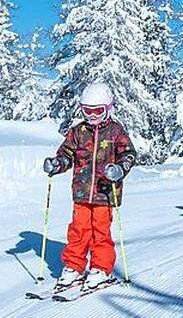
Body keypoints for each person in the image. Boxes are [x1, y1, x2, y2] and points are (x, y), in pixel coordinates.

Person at [42, 82, 137, 291]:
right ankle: (74, 266)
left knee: (100, 231)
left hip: (105, 192)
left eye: (97, 111)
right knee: (78, 230)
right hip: (81, 191)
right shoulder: (78, 132)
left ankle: (101, 268)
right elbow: (65, 154)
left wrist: (120, 169)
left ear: (108, 108)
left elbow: (128, 154)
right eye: (87, 110)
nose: (92, 115)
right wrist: (57, 164)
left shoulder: (115, 131)